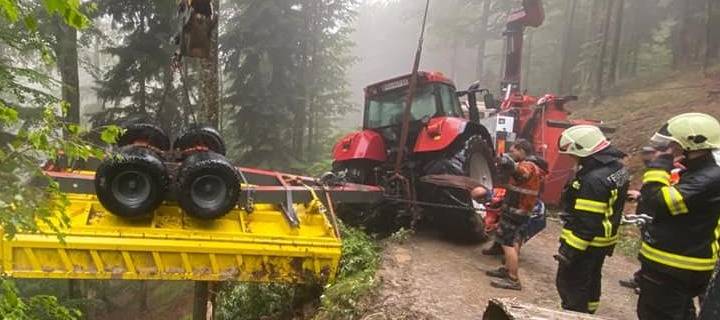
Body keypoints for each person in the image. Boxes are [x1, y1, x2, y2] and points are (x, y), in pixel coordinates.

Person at [635, 113, 720, 320]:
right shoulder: (697, 172)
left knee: (657, 314)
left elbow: (658, 202)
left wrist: (659, 166)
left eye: (673, 145)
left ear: (692, 145)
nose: (670, 150)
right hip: (675, 263)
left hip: (676, 265)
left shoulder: (709, 177)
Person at [554, 125, 629, 314]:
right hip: (603, 241)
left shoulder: (593, 180)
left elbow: (587, 222)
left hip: (586, 244)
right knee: (592, 281)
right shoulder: (618, 168)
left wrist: (570, 251)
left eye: (572, 154)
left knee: (571, 285)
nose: (571, 158)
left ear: (583, 150)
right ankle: (589, 313)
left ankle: (575, 315)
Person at [485, 139, 545, 290]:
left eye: (513, 151)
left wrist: (507, 162)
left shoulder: (528, 166)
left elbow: (521, 174)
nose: (511, 154)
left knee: (508, 243)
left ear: (522, 151)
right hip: (517, 209)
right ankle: (506, 270)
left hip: (517, 211)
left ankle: (513, 279)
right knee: (513, 241)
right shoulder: (532, 166)